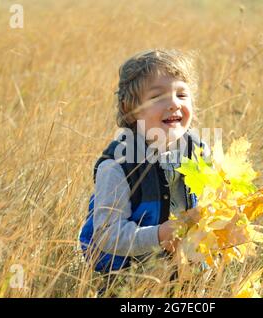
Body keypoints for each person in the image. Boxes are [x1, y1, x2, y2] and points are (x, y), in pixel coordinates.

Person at [79, 48, 210, 273]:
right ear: (130, 110)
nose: (174, 104)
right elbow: (107, 235)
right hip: (128, 278)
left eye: (181, 95)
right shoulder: (118, 166)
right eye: (158, 96)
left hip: (184, 272)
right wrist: (159, 235)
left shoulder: (199, 150)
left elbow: (212, 202)